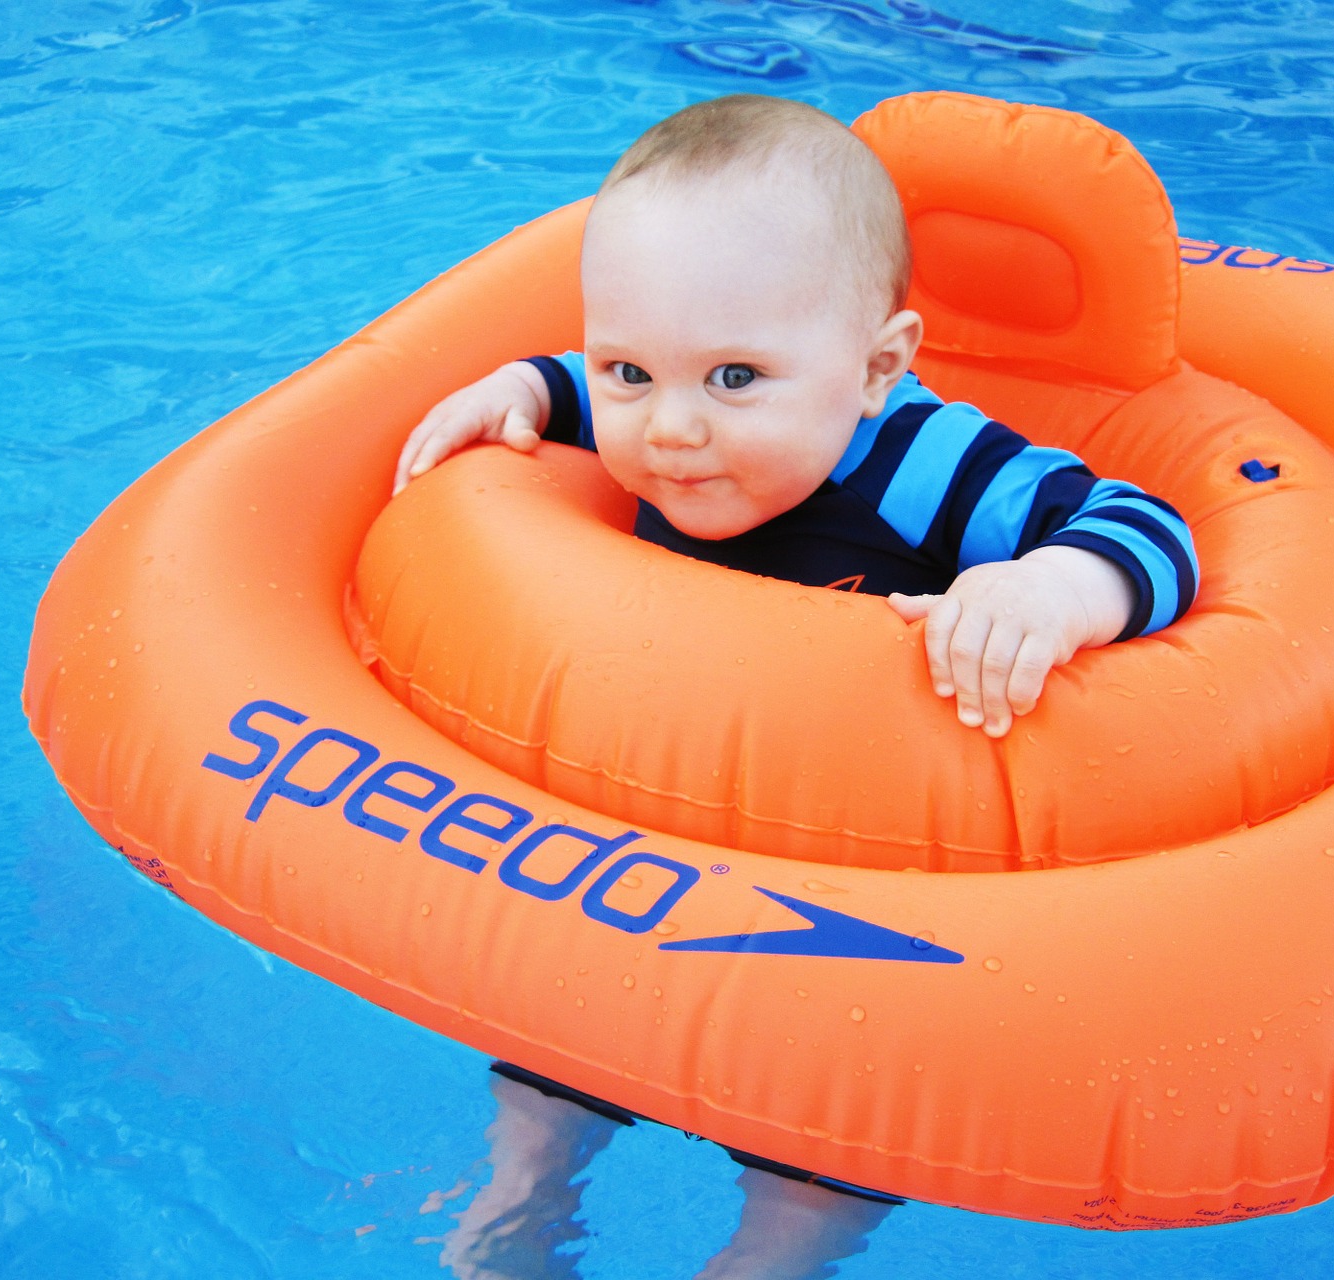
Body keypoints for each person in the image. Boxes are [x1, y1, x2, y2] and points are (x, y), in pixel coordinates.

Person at [398, 94, 1199, 1278]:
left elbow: (1149, 527)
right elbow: (587, 382)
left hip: (861, 884)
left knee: (834, 1122)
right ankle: (528, 1186)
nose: (669, 428)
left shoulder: (921, 460)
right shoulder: (653, 405)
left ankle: (773, 1257)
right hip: (667, 832)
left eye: (734, 376)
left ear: (878, 366)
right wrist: (531, 388)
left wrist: (1052, 590)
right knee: (552, 1034)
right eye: (631, 369)